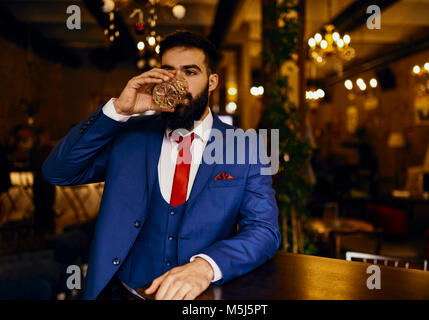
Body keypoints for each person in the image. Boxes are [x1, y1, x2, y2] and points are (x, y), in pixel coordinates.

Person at [42, 31, 281, 300]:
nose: (177, 82)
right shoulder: (129, 136)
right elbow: (57, 171)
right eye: (169, 72)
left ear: (212, 81)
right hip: (119, 292)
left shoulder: (244, 146)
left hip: (198, 298)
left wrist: (205, 267)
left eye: (190, 72)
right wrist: (118, 110)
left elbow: (264, 231)